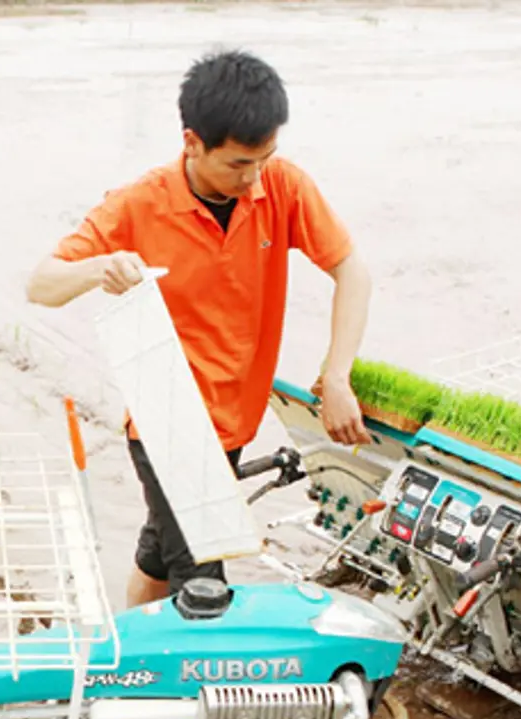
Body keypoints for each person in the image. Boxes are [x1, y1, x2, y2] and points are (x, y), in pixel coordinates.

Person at [27, 49, 373, 607]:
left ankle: (122, 664)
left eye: (265, 158)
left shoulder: (281, 188)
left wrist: (336, 377)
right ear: (192, 142)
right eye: (238, 163)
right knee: (205, 595)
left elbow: (352, 271)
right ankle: (186, 689)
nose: (254, 176)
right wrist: (100, 268)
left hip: (236, 425)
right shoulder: (138, 205)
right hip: (168, 428)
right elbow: (41, 284)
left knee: (158, 560)